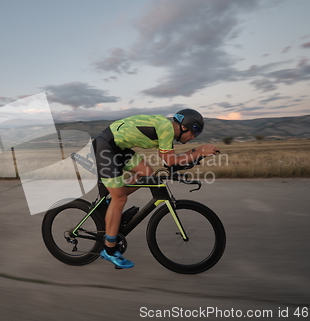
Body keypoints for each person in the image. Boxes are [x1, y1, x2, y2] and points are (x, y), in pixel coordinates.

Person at [92, 109, 220, 269]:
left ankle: (114, 201)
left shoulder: (167, 130)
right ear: (184, 127)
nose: (193, 137)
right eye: (194, 131)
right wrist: (200, 151)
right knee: (120, 199)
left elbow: (171, 161)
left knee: (146, 173)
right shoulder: (166, 128)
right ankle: (109, 250)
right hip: (106, 147)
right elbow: (171, 161)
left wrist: (199, 152)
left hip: (117, 147)